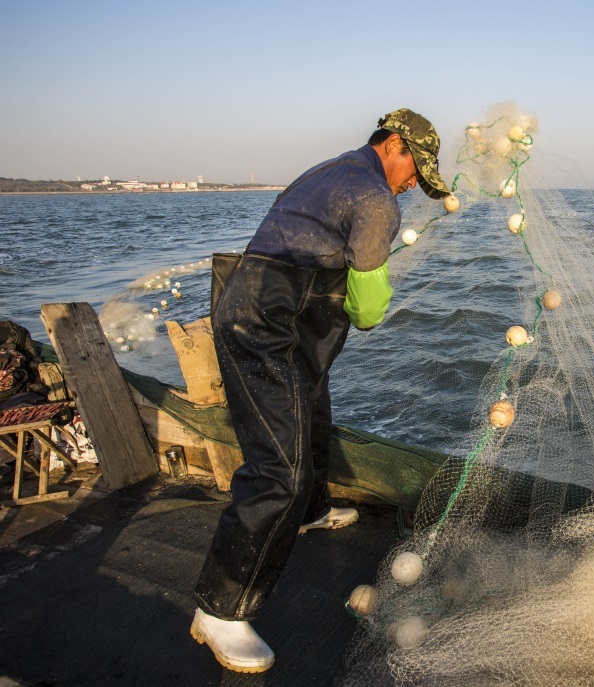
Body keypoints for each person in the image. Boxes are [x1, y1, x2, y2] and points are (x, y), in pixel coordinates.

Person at [190, 109, 450, 673]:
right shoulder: (376, 198)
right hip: (267, 324)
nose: (414, 183)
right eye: (416, 171)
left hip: (263, 309)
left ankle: (310, 511)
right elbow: (370, 310)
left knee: (312, 408)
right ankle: (219, 608)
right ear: (395, 145)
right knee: (279, 466)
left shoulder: (329, 172)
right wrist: (368, 289)